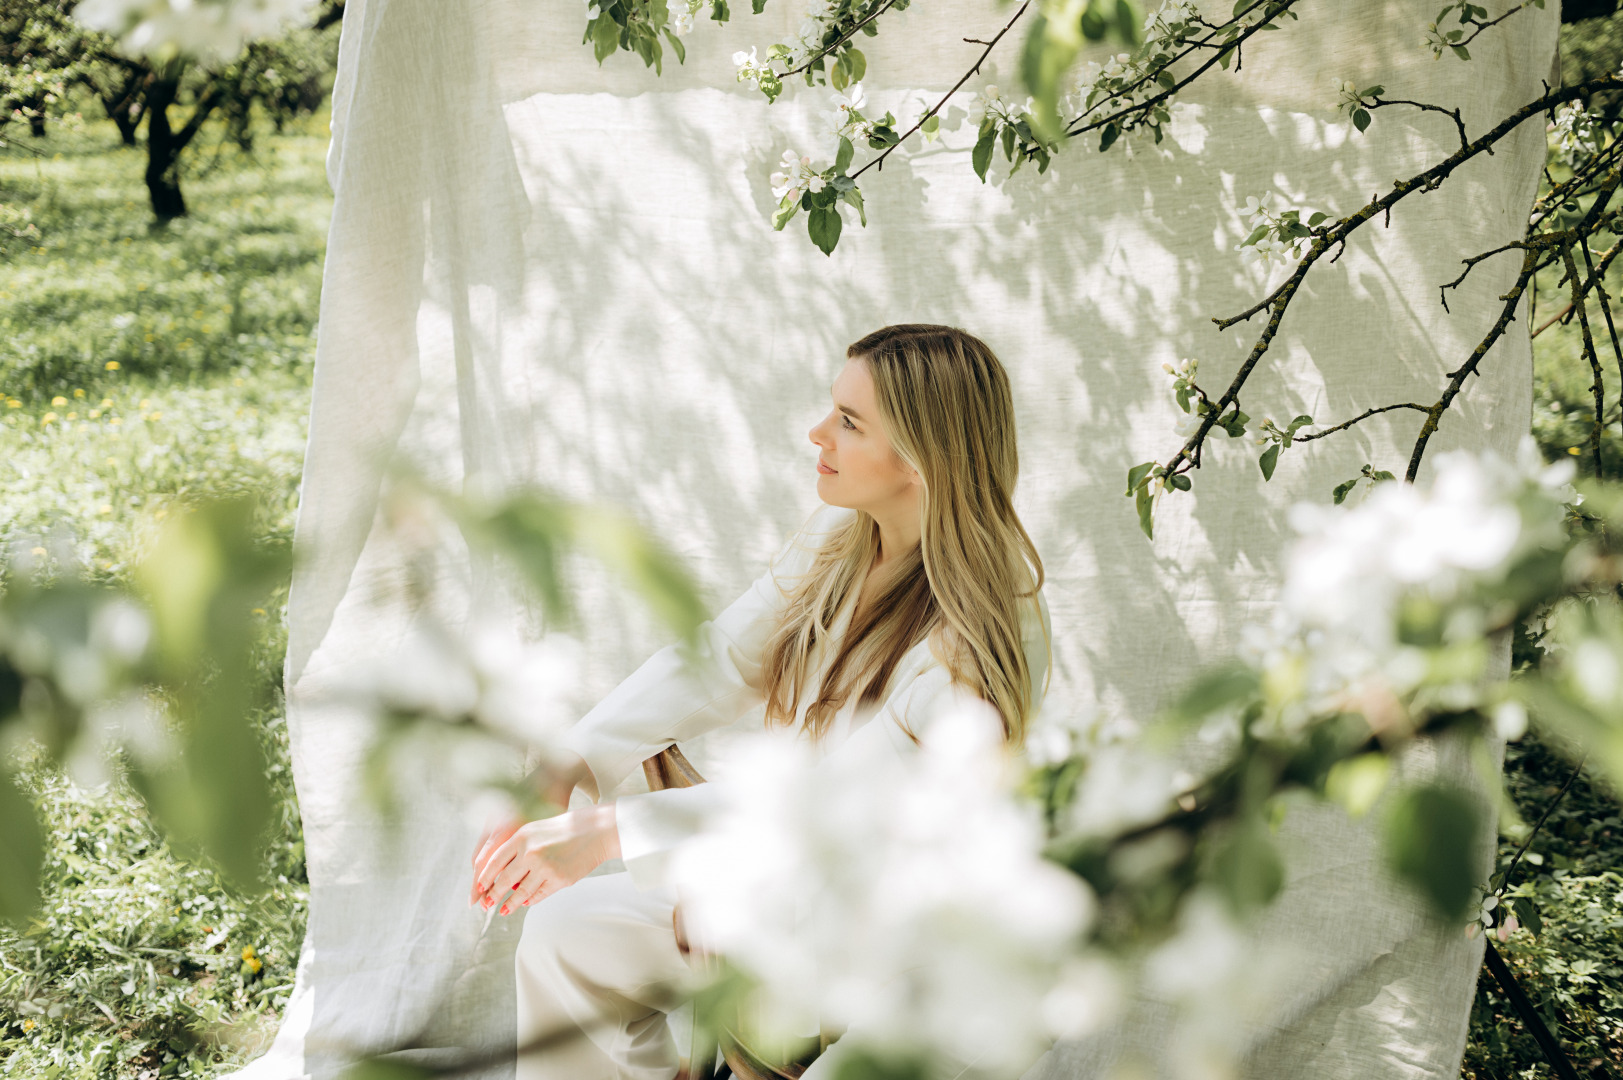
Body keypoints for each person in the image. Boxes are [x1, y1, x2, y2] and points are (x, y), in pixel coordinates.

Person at [469, 324, 1052, 1080]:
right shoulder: (841, 538)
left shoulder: (981, 639)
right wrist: (568, 764)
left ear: (921, 458)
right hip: (780, 895)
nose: (817, 433)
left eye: (848, 422)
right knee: (567, 935)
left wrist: (615, 834)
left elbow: (833, 808)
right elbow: (719, 660)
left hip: (892, 961)